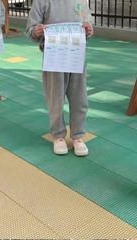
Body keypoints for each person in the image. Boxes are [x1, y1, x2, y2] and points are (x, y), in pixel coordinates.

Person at [26, 0, 93, 157]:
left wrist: (88, 29)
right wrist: (37, 31)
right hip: (53, 55)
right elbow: (31, 29)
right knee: (55, 98)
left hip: (77, 53)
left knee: (79, 97)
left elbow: (88, 24)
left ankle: (77, 136)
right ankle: (58, 135)